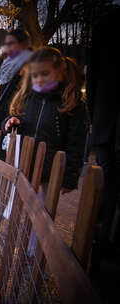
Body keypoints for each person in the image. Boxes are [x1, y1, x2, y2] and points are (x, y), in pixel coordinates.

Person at [3, 47, 87, 256]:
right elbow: (24, 121)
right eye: (35, 75)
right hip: (27, 164)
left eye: (45, 74)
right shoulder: (29, 98)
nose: (39, 79)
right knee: (21, 206)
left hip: (51, 170)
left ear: (60, 71)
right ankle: (16, 242)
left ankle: (34, 252)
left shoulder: (71, 103)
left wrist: (70, 177)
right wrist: (13, 121)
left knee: (43, 212)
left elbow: (77, 143)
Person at [86, 7, 120, 271]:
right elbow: (95, 74)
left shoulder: (106, 23)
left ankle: (105, 236)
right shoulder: (107, 23)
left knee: (109, 177)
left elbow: (94, 74)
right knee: (108, 179)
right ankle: (104, 237)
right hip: (108, 119)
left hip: (106, 118)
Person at [0, 28, 32, 159]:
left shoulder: (29, 63)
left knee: (11, 162)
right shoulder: (8, 64)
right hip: (1, 120)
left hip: (15, 119)